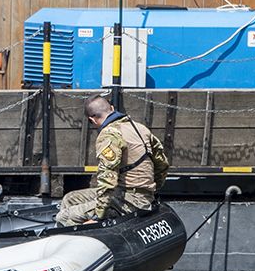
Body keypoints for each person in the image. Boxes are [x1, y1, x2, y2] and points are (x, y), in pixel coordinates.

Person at [56, 95, 171, 226]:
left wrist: (99, 216)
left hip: (129, 200)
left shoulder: (109, 135)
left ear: (92, 120)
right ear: (112, 108)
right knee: (70, 199)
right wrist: (152, 191)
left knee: (63, 217)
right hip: (136, 195)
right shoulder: (140, 128)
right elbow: (162, 164)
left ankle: (79, 240)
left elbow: (107, 179)